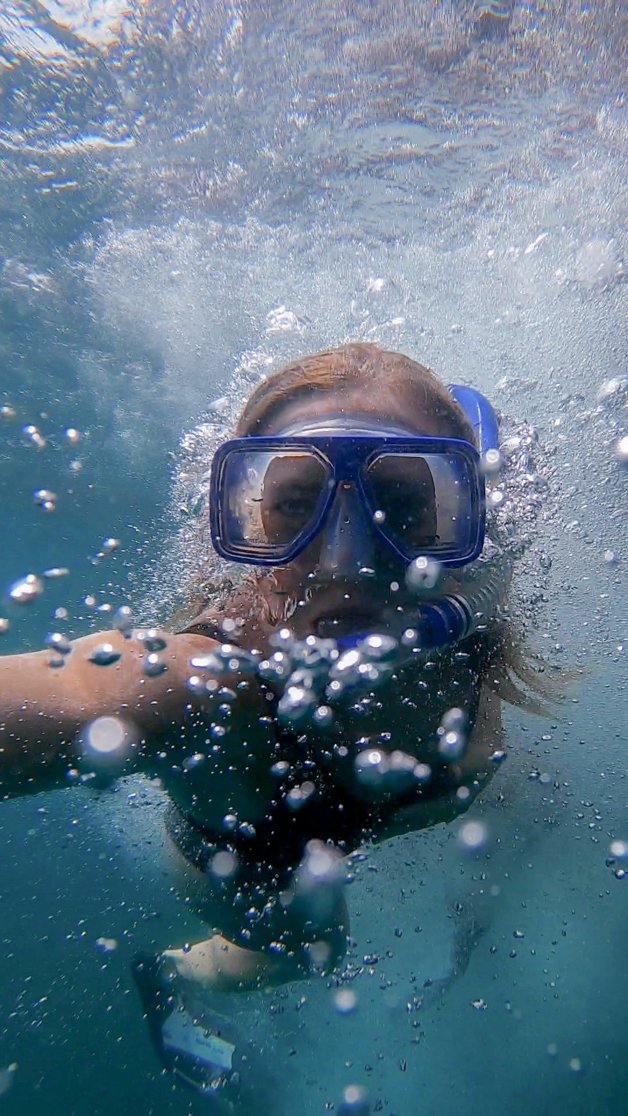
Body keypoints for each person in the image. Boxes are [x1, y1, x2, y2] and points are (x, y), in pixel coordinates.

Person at [0, 343, 548, 1110]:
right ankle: (171, 973)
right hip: (261, 863)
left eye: (400, 500)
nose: (349, 560)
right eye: (296, 504)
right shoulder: (203, 686)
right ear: (244, 519)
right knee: (316, 952)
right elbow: (88, 698)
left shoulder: (467, 607)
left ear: (458, 519)